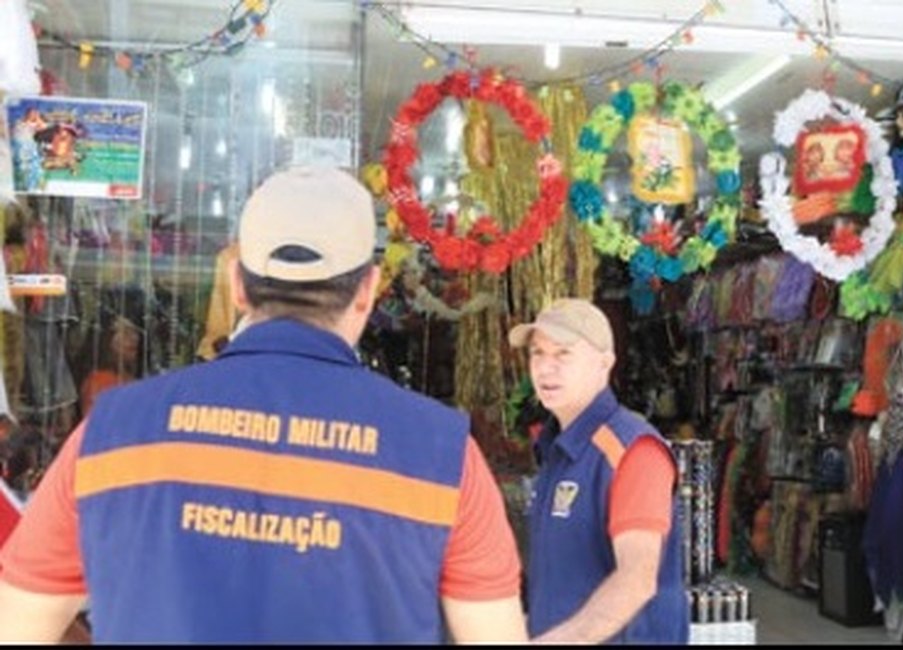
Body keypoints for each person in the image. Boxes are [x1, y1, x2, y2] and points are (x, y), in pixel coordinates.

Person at [0, 166, 527, 643]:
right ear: (368, 290)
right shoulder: (440, 455)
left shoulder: (112, 434)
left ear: (236, 284)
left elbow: (16, 626)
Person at [509, 298, 688, 643]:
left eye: (563, 354)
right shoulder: (557, 449)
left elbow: (637, 580)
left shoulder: (631, 450)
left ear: (604, 363)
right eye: (537, 353)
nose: (545, 368)